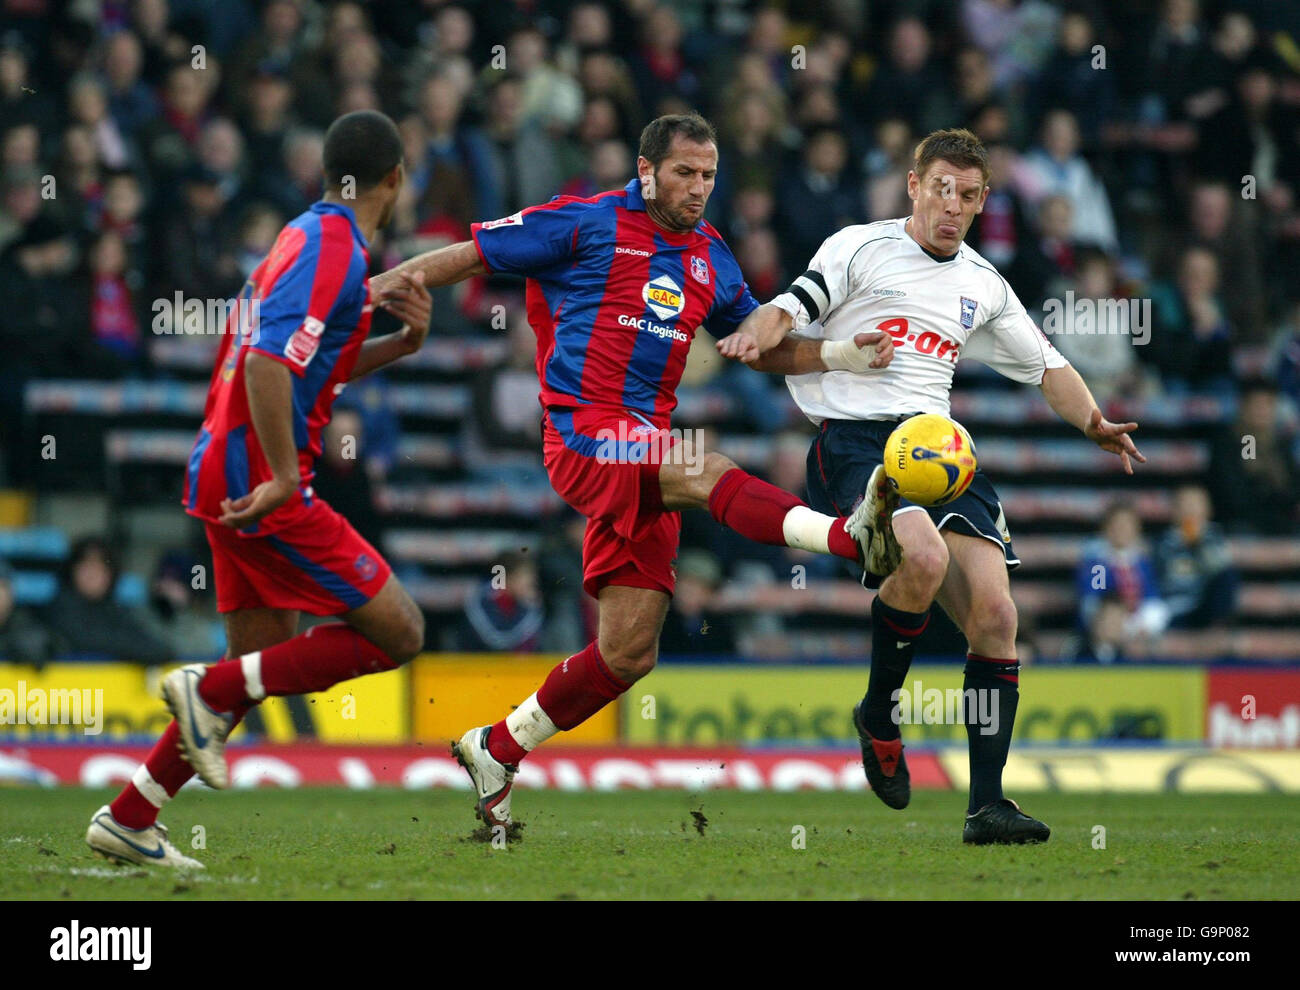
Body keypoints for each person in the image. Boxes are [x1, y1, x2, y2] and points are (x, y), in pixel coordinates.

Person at [370, 112, 894, 830]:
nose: (699, 188)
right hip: (583, 435)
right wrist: (377, 288)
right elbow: (468, 254)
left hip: (643, 448)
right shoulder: (582, 224)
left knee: (628, 652)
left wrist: (838, 354)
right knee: (702, 464)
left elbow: (759, 344)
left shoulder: (711, 255)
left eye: (709, 176)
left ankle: (496, 747)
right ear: (646, 171)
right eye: (685, 173)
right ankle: (849, 539)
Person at [717, 127, 1145, 844]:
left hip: (941, 447)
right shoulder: (858, 246)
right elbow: (786, 309)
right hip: (857, 442)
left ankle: (986, 806)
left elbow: (1047, 367)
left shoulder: (983, 282)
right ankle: (881, 712)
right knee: (921, 558)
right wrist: (753, 333)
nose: (952, 205)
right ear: (914, 185)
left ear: (982, 204)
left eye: (968, 195)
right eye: (941, 187)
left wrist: (1093, 420)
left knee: (998, 619)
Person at [85, 110, 431, 869]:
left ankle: (131, 815)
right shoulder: (334, 250)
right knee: (401, 632)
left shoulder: (302, 236)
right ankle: (203, 685)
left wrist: (401, 346)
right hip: (257, 475)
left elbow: (310, 366)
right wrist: (282, 477)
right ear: (396, 180)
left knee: (258, 666)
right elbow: (267, 366)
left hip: (221, 464)